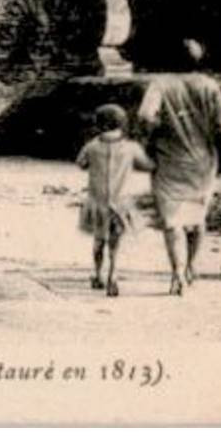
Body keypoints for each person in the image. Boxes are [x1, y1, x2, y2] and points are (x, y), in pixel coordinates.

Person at [137, 40, 221, 296]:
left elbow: (145, 117)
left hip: (168, 160)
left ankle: (177, 274)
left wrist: (150, 138)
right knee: (196, 218)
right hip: (203, 162)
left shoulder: (160, 85)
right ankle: (191, 266)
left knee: (172, 221)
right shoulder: (210, 87)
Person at [76, 104, 154, 297]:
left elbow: (81, 163)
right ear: (122, 124)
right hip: (120, 203)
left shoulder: (92, 146)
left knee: (98, 240)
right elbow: (147, 166)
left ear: (98, 124)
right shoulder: (131, 148)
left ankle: (96, 273)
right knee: (115, 242)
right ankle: (113, 274)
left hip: (97, 201)